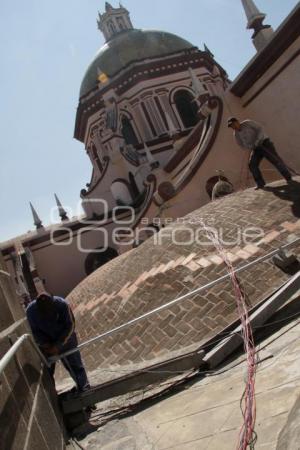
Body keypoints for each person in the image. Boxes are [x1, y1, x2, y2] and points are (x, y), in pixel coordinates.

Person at [26, 292, 90, 392]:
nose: (47, 314)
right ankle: (53, 396)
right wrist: (45, 344)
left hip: (65, 338)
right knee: (47, 370)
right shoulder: (30, 312)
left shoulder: (62, 304)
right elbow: (34, 331)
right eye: (44, 312)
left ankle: (84, 389)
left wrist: (58, 345)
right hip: (46, 342)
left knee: (75, 365)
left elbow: (70, 325)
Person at [227, 117, 292, 189]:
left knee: (275, 160)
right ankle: (260, 183)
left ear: (237, 122)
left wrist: (257, 141)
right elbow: (241, 145)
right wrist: (250, 146)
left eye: (233, 124)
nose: (233, 127)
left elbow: (260, 129)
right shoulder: (236, 135)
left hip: (264, 143)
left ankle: (288, 177)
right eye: (231, 126)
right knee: (252, 164)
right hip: (255, 149)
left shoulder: (248, 123)